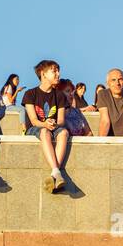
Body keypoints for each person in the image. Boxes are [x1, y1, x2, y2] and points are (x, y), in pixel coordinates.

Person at [23, 60, 72, 193]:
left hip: (54, 127)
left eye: (58, 70)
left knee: (64, 133)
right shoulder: (30, 94)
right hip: (36, 128)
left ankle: (54, 173)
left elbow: (61, 120)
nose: (58, 74)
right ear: (43, 74)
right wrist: (45, 124)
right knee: (44, 132)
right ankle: (57, 171)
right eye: (54, 71)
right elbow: (33, 120)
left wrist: (55, 124)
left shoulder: (60, 95)